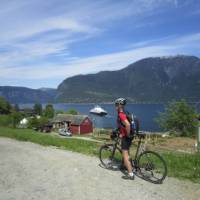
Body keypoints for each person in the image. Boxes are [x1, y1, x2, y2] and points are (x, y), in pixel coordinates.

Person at [115, 98, 134, 180]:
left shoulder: (121, 114)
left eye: (116, 105)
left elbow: (128, 125)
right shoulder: (127, 112)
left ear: (119, 106)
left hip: (127, 137)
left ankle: (130, 174)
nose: (115, 107)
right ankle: (126, 165)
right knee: (127, 152)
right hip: (131, 135)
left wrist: (127, 135)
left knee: (125, 155)